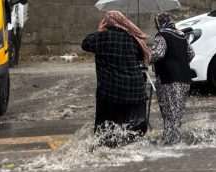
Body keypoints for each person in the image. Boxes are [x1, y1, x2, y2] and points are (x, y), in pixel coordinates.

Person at [82, 11, 151, 147]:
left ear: (107, 23)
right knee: (130, 129)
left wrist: (99, 31)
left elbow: (85, 44)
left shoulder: (103, 37)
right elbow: (140, 57)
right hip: (134, 92)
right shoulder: (133, 38)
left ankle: (107, 150)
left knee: (106, 129)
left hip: (111, 92)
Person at [150, 12, 195, 145]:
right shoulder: (181, 35)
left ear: (159, 23)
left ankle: (171, 142)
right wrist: (179, 61)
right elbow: (191, 54)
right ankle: (173, 139)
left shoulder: (162, 35)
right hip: (185, 79)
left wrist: (146, 57)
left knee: (169, 112)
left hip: (169, 79)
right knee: (177, 112)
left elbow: (158, 54)